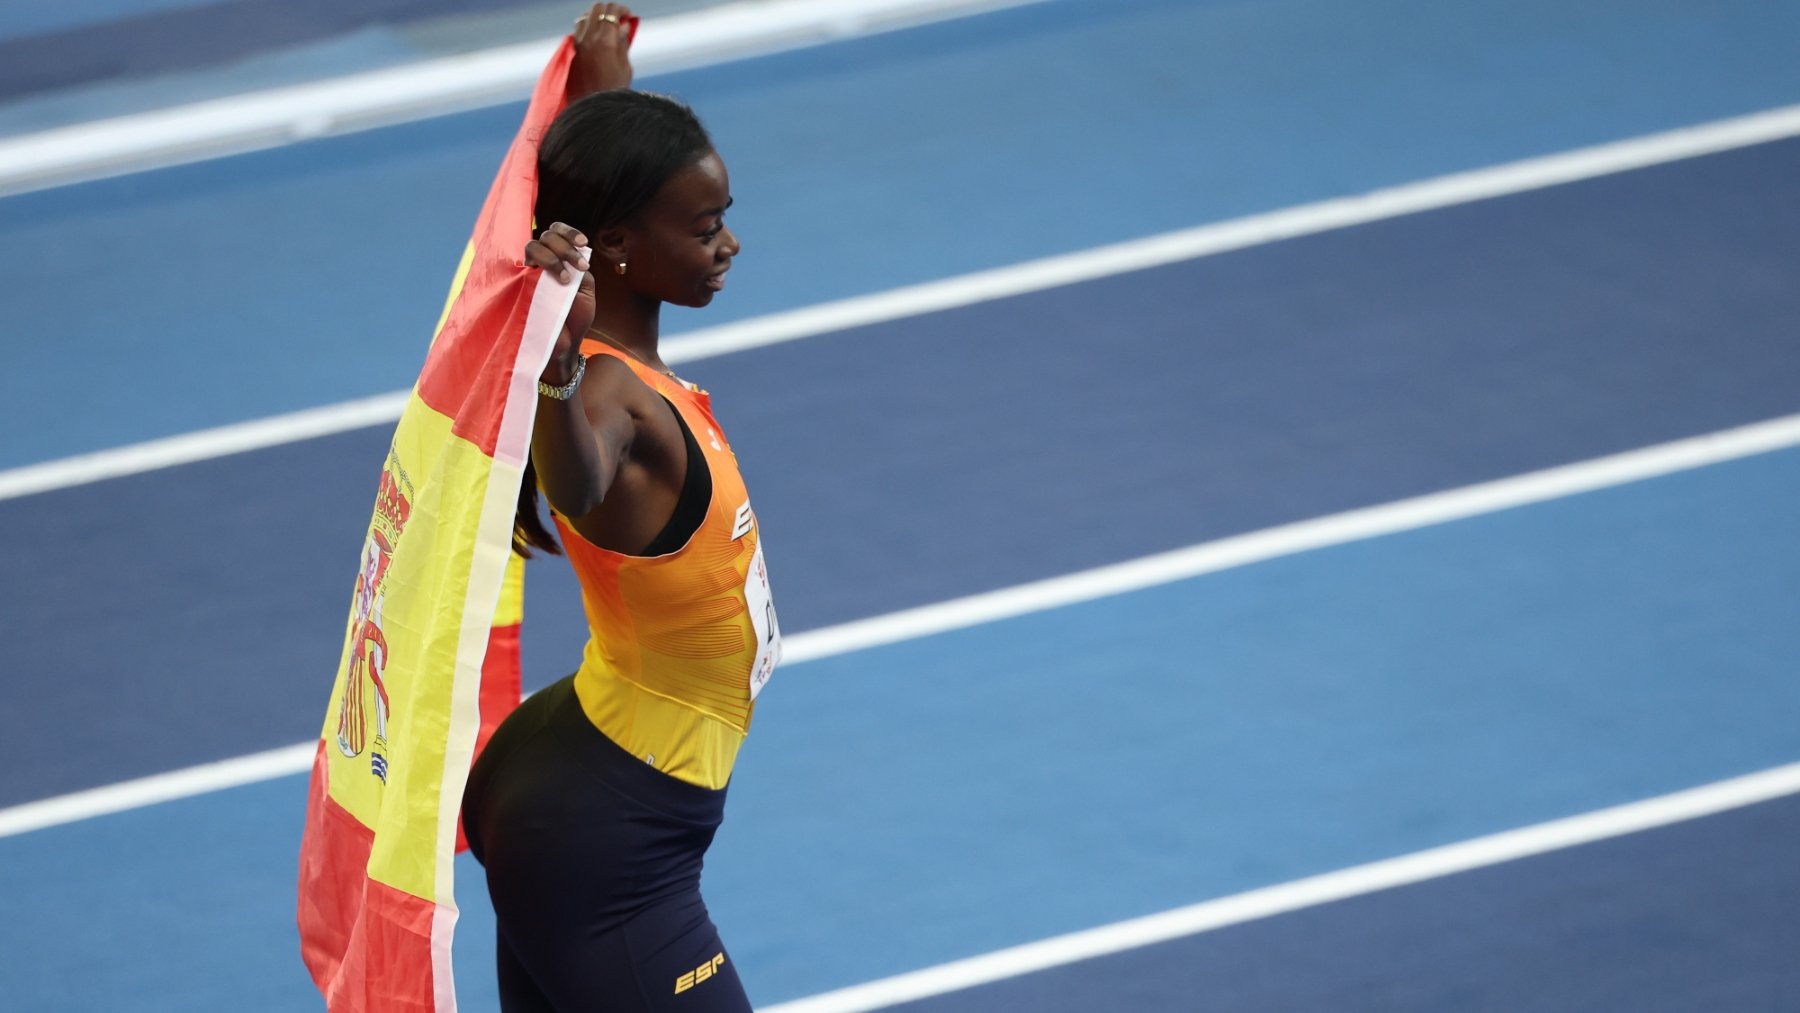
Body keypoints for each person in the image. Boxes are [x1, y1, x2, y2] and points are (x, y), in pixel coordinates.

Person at [460, 6, 780, 1010]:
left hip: (578, 768)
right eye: (704, 228)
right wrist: (552, 384)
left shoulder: (622, 327)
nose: (728, 242)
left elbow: (611, 179)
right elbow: (581, 489)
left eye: (722, 213)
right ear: (620, 249)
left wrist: (607, 76)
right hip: (611, 839)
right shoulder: (604, 395)